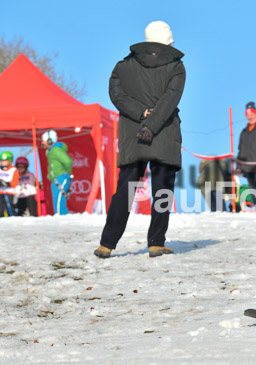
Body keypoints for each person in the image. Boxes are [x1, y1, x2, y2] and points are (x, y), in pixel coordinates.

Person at [94, 20, 186, 259]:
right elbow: (170, 100)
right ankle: (156, 242)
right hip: (164, 133)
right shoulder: (176, 66)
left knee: (125, 189)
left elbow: (116, 95)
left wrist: (141, 114)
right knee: (162, 191)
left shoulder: (122, 67)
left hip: (132, 134)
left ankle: (107, 243)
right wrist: (153, 123)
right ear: (167, 40)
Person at [40, 129, 73, 215]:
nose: (42, 142)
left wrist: (66, 173)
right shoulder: (50, 151)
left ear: (50, 140)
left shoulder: (55, 150)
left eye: (44, 140)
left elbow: (68, 161)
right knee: (57, 199)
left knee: (59, 200)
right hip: (56, 177)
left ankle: (61, 217)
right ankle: (60, 216)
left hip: (61, 176)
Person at [0, 151, 19, 218]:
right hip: (0, 191)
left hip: (9, 192)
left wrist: (7, 184)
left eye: (4, 160)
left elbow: (15, 181)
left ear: (9, 161)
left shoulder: (13, 170)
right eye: (1, 160)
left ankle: (12, 218)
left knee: (9, 206)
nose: (2, 162)